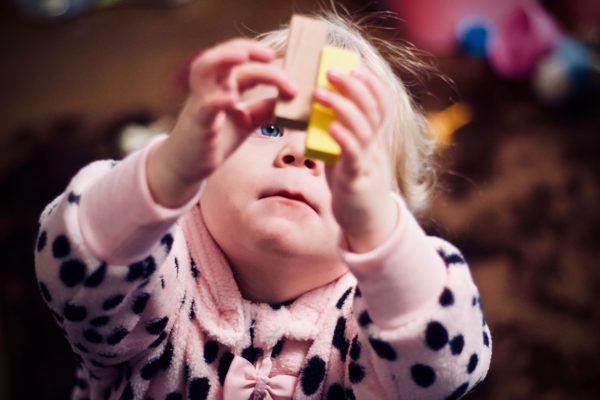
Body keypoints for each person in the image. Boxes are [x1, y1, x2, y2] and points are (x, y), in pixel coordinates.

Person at [34, 10, 491, 400]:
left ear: (392, 213)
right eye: (269, 128)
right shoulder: (158, 268)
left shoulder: (371, 323)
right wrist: (169, 171)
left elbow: (444, 374)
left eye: (338, 149)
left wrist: (382, 238)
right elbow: (74, 268)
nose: (300, 154)